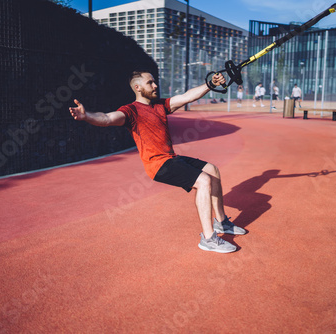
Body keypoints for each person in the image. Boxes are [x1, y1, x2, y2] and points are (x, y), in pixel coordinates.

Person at [69, 70, 246, 253]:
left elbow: (186, 97)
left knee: (212, 170)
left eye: (154, 82)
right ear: (137, 88)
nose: (155, 86)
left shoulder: (160, 105)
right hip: (158, 165)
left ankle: (221, 222)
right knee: (204, 181)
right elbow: (107, 118)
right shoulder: (131, 111)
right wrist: (86, 116)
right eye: (150, 83)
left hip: (171, 158)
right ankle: (208, 239)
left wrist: (210, 85)